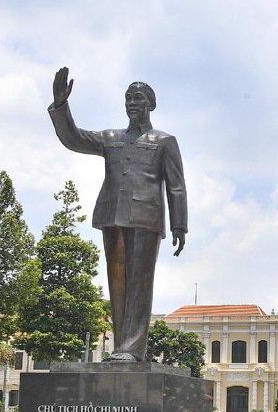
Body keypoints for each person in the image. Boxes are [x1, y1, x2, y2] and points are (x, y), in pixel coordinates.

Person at [49, 68, 187, 361]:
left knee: (140, 282)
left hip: (146, 218)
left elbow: (176, 186)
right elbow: (73, 138)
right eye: (128, 99)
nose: (132, 103)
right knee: (118, 284)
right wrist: (61, 105)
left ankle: (133, 348)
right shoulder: (110, 137)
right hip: (112, 216)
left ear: (151, 103)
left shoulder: (164, 141)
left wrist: (180, 225)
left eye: (138, 98)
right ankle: (122, 348)